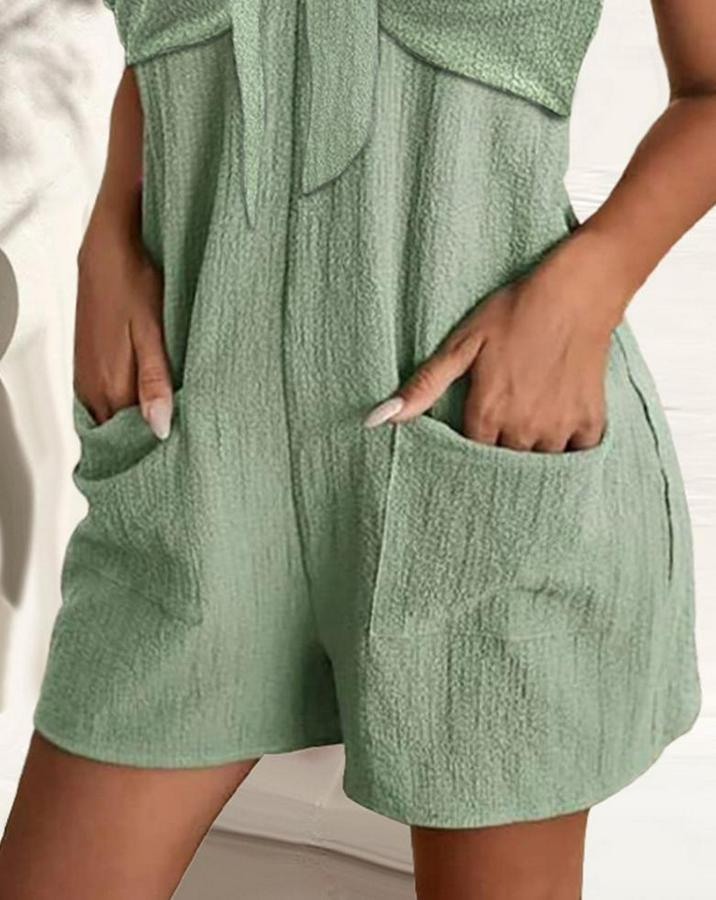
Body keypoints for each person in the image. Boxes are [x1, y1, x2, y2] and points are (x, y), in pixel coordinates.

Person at [0, 1, 712, 897]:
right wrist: (106, 229)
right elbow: (180, 34)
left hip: (476, 443)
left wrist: (587, 289)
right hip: (192, 451)